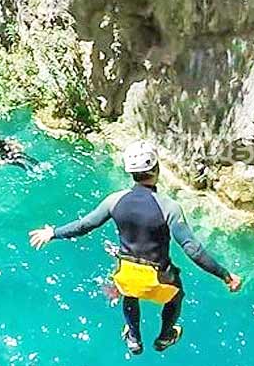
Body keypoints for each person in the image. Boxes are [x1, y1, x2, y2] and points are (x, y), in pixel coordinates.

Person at [29, 141, 242, 355]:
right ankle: (165, 337)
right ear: (157, 168)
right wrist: (225, 275)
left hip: (126, 273)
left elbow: (84, 225)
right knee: (176, 296)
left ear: (130, 172)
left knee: (129, 291)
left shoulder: (114, 201)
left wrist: (53, 233)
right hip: (159, 279)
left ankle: (134, 337)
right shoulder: (169, 207)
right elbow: (192, 249)